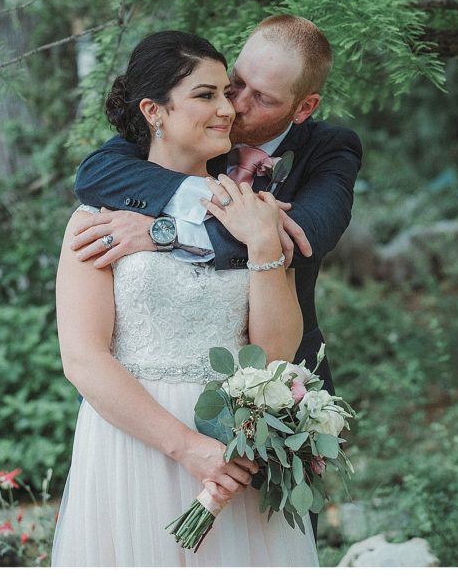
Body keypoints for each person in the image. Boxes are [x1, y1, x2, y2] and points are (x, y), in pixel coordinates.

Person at [51, 31, 318, 566]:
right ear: (154, 110)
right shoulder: (97, 221)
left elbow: (276, 351)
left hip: (235, 441)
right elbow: (83, 358)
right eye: (206, 95)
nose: (229, 110)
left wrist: (264, 242)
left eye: (228, 92)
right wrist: (188, 448)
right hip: (136, 443)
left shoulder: (252, 214)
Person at [72, 15, 362, 396]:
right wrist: (205, 196)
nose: (235, 106)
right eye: (236, 84)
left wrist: (167, 234)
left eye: (262, 98)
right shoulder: (190, 128)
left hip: (282, 387)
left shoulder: (330, 150)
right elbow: (95, 174)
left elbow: (300, 238)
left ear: (304, 107)